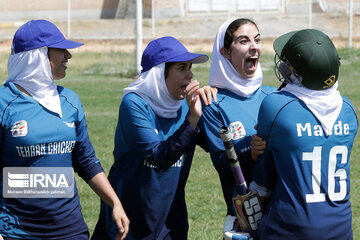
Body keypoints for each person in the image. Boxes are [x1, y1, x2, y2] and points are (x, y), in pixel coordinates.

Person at [0, 19, 129, 240]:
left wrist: (115, 202)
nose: (68, 55)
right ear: (38, 55)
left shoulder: (70, 100)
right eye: (61, 49)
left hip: (70, 231)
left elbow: (86, 160)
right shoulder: (4, 103)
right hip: (17, 232)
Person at [91, 36, 217, 240]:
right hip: (129, 220)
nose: (190, 75)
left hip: (171, 220)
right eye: (181, 68)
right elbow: (158, 157)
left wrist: (213, 103)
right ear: (159, 73)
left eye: (190, 67)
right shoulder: (134, 104)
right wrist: (192, 119)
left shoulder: (187, 105)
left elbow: (216, 145)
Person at [250, 29, 358, 240]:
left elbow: (264, 179)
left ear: (297, 74)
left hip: (290, 227)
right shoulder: (348, 109)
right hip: (341, 227)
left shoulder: (276, 105)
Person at [198, 18, 276, 239]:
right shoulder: (212, 104)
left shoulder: (274, 97)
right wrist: (250, 152)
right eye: (243, 41)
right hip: (246, 221)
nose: (254, 46)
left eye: (257, 40)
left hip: (285, 213)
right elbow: (223, 164)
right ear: (225, 52)